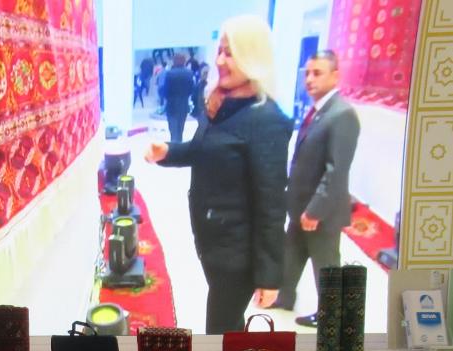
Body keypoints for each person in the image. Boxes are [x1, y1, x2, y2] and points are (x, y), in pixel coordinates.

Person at [144, 15, 290, 334]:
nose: (220, 60)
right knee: (228, 329)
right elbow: (203, 150)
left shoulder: (266, 119)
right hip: (212, 242)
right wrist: (168, 152)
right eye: (220, 51)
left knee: (220, 333)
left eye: (231, 52)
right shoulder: (220, 103)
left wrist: (269, 276)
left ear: (253, 57)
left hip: (235, 255)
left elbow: (271, 204)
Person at [275, 50, 361, 326]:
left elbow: (336, 170)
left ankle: (331, 316)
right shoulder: (318, 111)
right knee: (293, 251)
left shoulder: (342, 114)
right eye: (308, 73)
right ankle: (284, 296)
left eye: (317, 73)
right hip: (301, 203)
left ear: (335, 76)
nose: (310, 79)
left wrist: (315, 210)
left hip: (321, 209)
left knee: (325, 263)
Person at [162, 53, 196, 144]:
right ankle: (179, 147)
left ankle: (173, 147)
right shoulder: (189, 73)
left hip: (171, 105)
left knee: (173, 131)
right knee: (180, 130)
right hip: (183, 104)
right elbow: (192, 89)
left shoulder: (170, 73)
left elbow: (165, 91)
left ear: (174, 61)